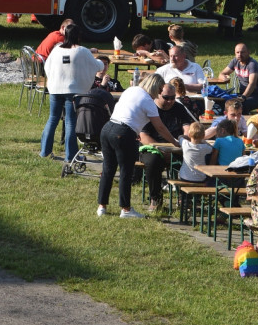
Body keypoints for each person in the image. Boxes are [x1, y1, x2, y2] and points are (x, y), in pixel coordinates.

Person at [97, 73, 177, 218]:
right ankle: (126, 209)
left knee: (108, 170)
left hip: (107, 128)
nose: (160, 93)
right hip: (123, 133)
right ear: (154, 86)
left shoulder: (131, 90)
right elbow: (160, 127)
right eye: (159, 89)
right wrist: (175, 142)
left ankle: (102, 206)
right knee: (126, 172)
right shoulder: (148, 101)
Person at [41, 24, 103, 162]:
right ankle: (71, 156)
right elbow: (97, 65)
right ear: (79, 36)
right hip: (73, 91)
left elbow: (47, 66)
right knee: (70, 122)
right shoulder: (82, 51)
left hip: (55, 89)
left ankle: (45, 151)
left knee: (53, 118)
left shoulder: (57, 49)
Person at [138, 81, 182, 211]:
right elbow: (143, 136)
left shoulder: (179, 108)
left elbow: (188, 127)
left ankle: (185, 197)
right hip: (152, 147)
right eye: (166, 98)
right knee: (153, 161)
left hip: (175, 147)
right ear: (158, 95)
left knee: (194, 158)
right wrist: (162, 150)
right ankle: (155, 198)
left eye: (173, 98)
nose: (170, 101)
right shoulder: (149, 108)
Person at [217, 43, 258, 114]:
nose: (239, 54)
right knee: (223, 102)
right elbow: (222, 73)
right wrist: (224, 77)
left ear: (249, 52)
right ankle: (226, 122)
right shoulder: (235, 61)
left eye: (242, 52)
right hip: (242, 95)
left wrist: (243, 97)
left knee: (239, 106)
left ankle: (242, 122)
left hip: (257, 96)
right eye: (237, 52)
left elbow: (252, 84)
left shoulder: (252, 64)